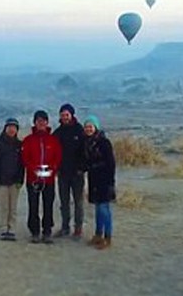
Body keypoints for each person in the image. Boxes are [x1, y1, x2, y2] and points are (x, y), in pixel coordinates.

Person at [22, 110, 62, 244]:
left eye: (43, 120)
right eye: (38, 121)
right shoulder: (28, 140)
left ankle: (47, 231)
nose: (41, 123)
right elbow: (24, 158)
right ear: (34, 123)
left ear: (47, 122)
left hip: (49, 179)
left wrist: (53, 168)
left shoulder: (53, 140)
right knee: (33, 205)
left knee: (48, 205)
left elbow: (58, 156)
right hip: (33, 179)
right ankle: (34, 231)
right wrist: (34, 169)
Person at [82, 115, 116, 250]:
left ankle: (107, 237)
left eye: (91, 126)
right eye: (86, 127)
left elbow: (111, 163)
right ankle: (98, 234)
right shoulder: (87, 142)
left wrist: (110, 181)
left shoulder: (104, 142)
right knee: (97, 209)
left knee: (104, 209)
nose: (88, 129)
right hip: (93, 179)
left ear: (96, 127)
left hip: (104, 180)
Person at [52, 103, 86, 239]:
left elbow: (85, 151)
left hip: (77, 174)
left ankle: (78, 229)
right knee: (64, 202)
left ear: (72, 115)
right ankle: (65, 227)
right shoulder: (58, 132)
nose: (65, 117)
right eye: (62, 115)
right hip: (63, 174)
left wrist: (82, 168)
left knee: (78, 202)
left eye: (67, 115)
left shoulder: (79, 130)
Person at [0, 118, 24, 241]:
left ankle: (12, 229)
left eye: (14, 127)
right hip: (1, 181)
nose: (12, 130)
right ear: (5, 128)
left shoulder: (19, 145)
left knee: (13, 207)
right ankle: (3, 229)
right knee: (4, 207)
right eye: (10, 127)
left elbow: (21, 164)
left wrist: (20, 179)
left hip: (15, 181)